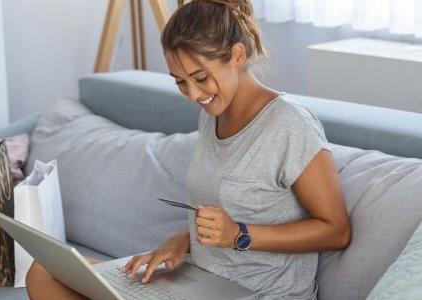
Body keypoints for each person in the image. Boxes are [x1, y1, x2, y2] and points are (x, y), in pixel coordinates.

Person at [26, 0, 351, 299]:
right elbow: (222, 216)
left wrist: (240, 235)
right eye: (180, 81)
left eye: (200, 78)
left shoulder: (290, 125)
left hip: (262, 294)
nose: (193, 94)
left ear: (237, 56)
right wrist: (179, 242)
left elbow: (335, 231)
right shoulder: (212, 117)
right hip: (201, 286)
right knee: (44, 273)